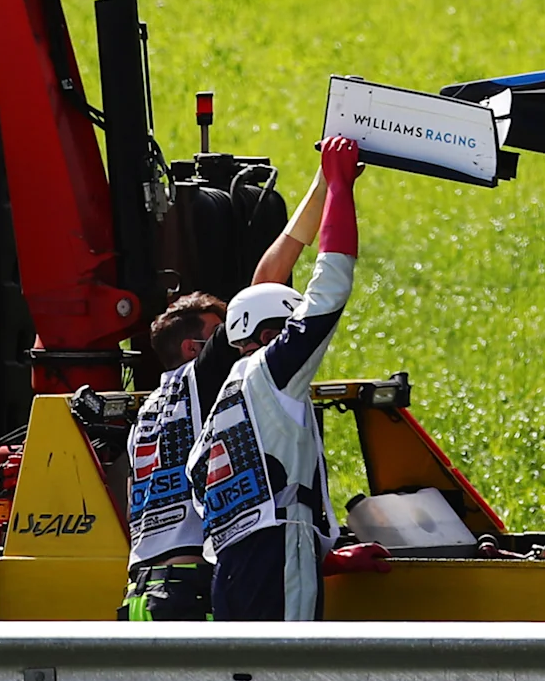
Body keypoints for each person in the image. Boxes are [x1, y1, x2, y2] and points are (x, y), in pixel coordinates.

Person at [191, 135, 364, 623]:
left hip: (234, 562)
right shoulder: (271, 371)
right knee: (288, 678)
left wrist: (327, 553)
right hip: (279, 550)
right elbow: (329, 290)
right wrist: (342, 192)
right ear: (273, 330)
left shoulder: (230, 394)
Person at [121, 289, 230, 621]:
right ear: (191, 348)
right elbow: (248, 310)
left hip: (139, 590)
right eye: (215, 335)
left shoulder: (147, 410)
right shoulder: (196, 382)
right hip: (186, 590)